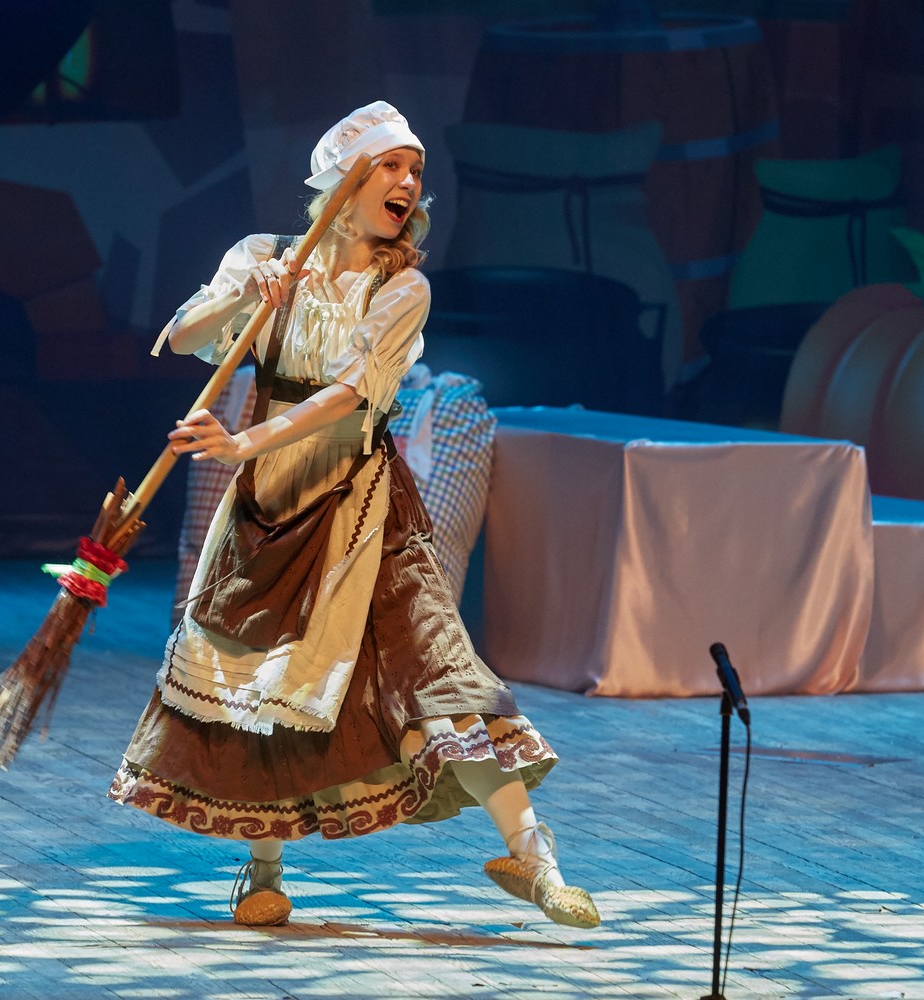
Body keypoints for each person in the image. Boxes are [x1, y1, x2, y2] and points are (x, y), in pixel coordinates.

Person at [108, 101, 600, 930]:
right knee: (260, 683)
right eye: (390, 166)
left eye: (415, 171)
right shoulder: (263, 256)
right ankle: (263, 869)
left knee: (436, 671)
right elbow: (184, 334)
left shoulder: (402, 287)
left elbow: (347, 396)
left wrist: (243, 440)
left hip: (363, 510)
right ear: (342, 181)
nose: (408, 183)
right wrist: (248, 299)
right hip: (268, 509)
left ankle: (535, 860)